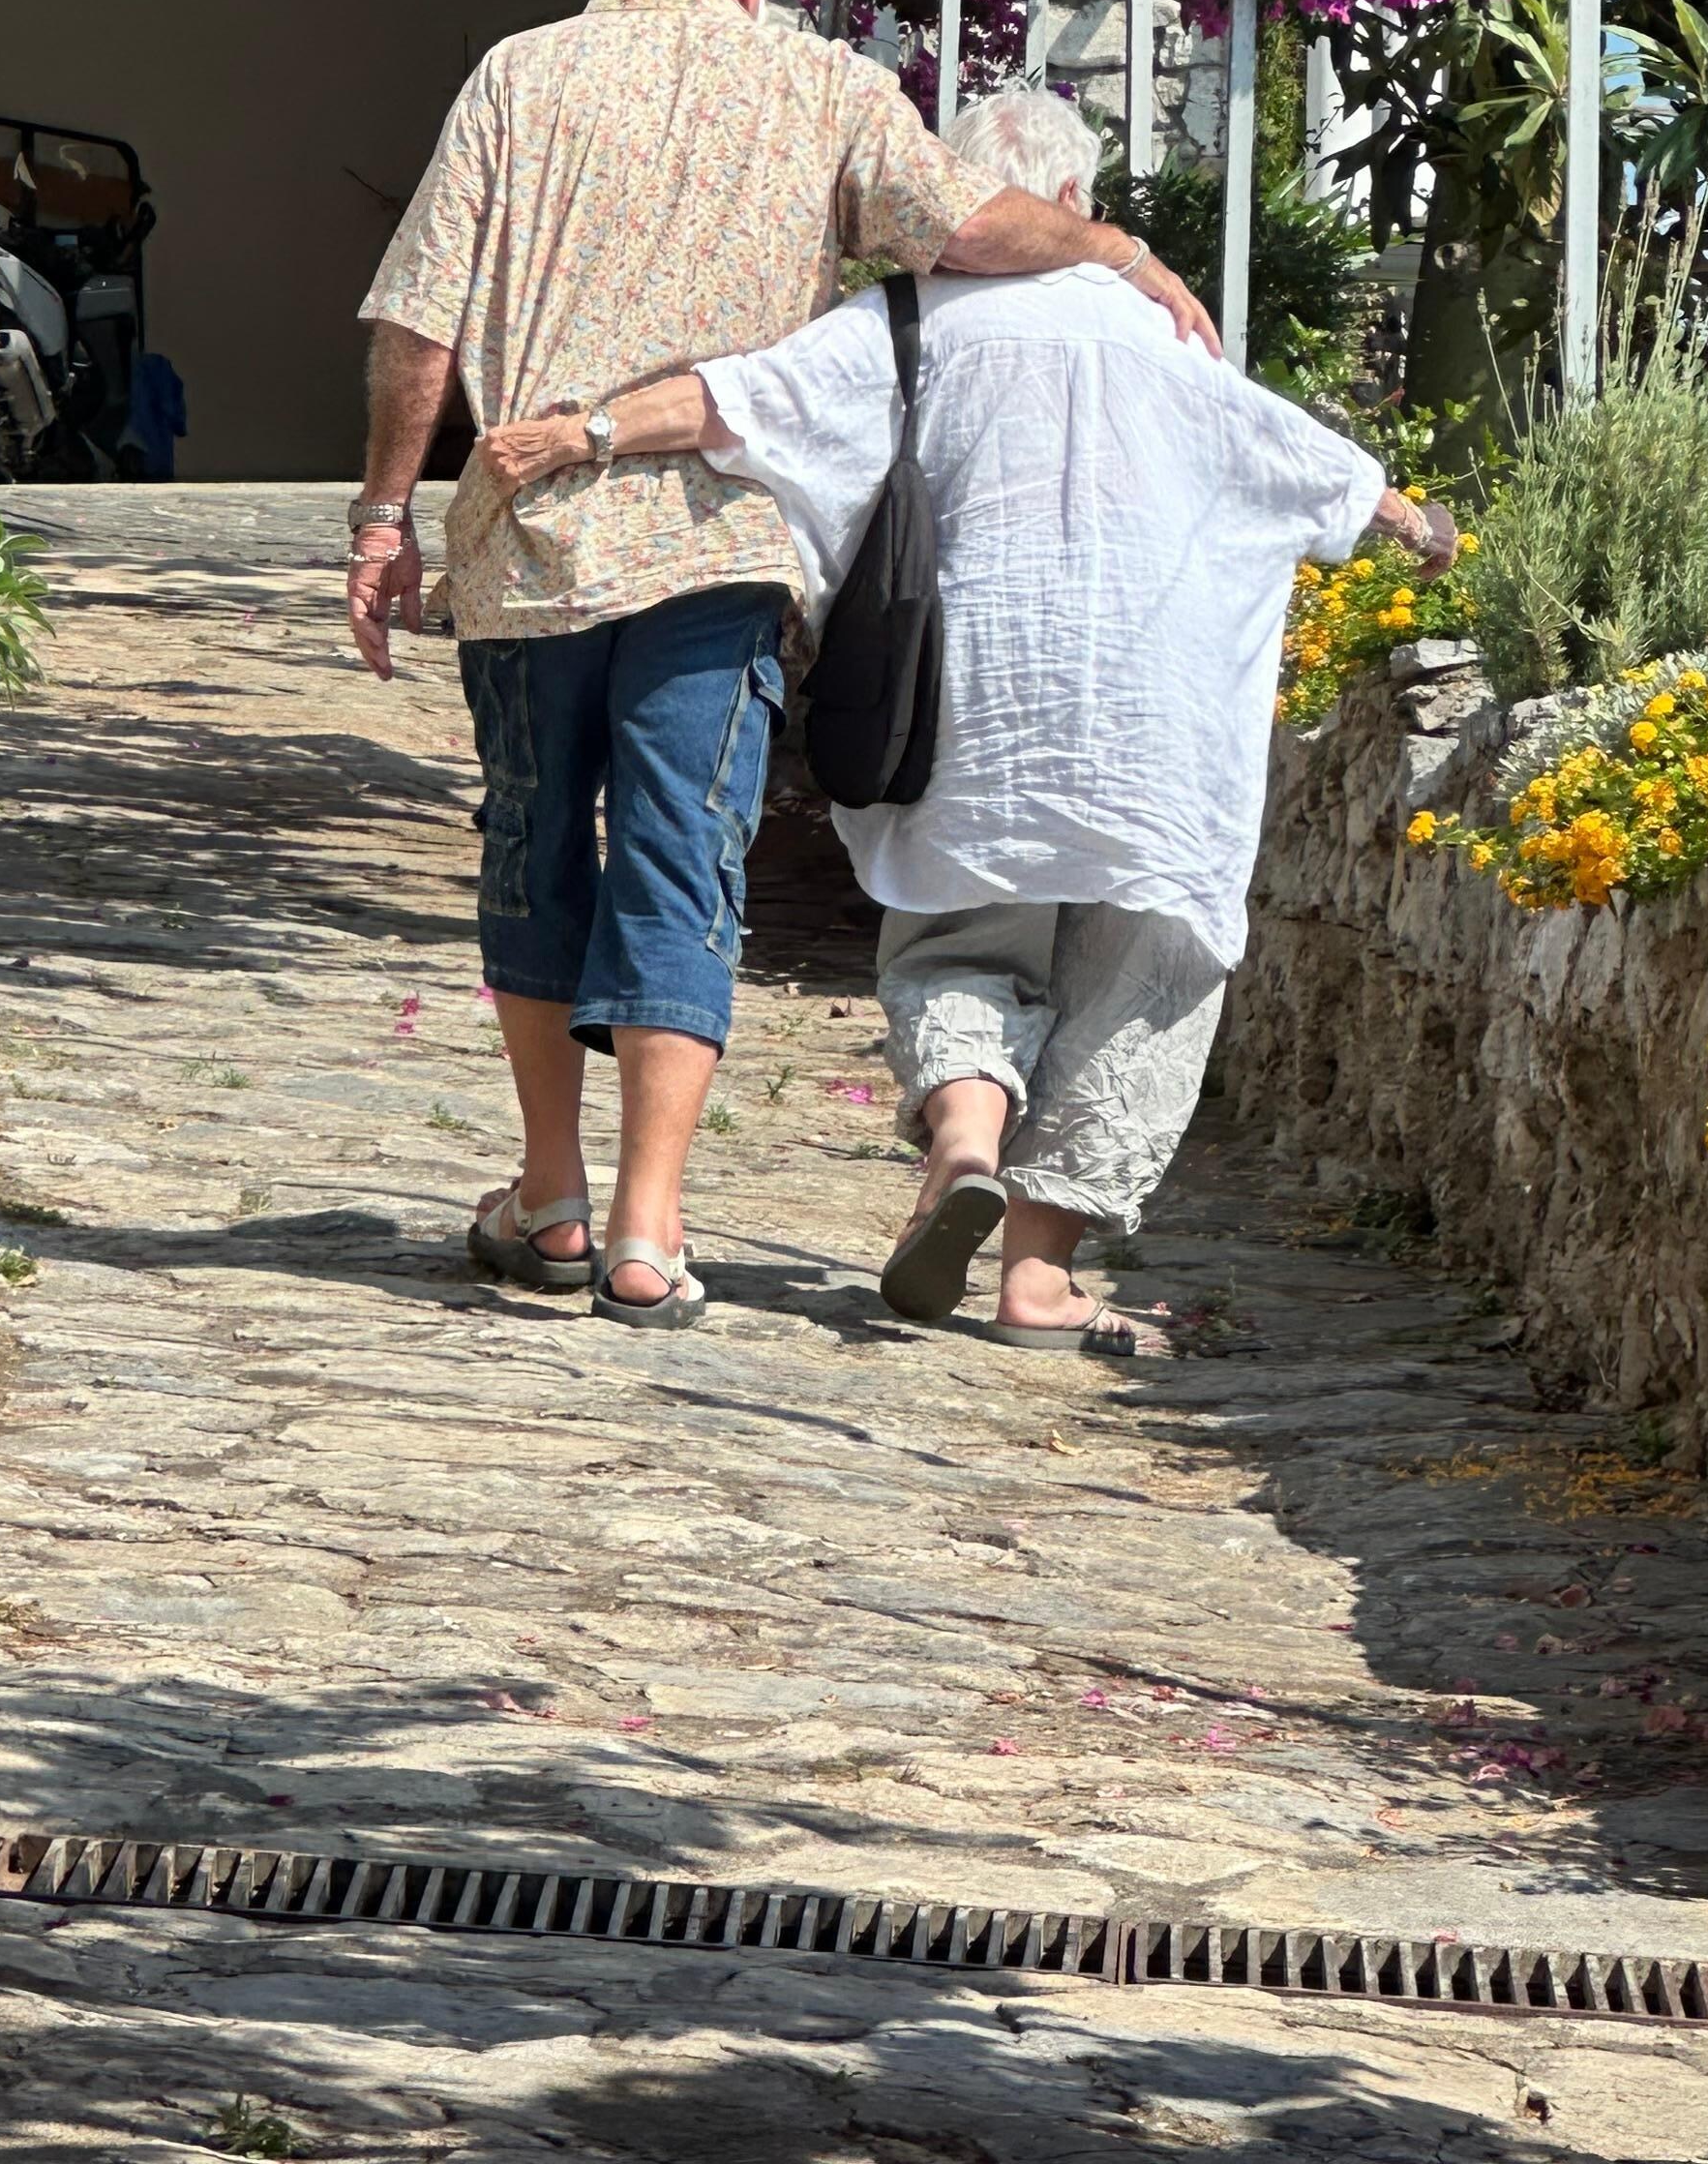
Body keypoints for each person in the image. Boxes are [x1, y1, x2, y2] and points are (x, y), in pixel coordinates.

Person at [350, 0, 1220, 1333]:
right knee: (686, 863)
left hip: (530, 549)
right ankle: (647, 1231)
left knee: (536, 848)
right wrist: (1117, 247)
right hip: (718, 548)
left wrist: (383, 518)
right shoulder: (825, 86)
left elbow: (418, 321)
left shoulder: (515, 74)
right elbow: (969, 229)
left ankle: (549, 1195)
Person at [476, 81, 1454, 1355]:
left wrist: (583, 430)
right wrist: (1415, 524)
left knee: (956, 945)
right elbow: (1294, 456)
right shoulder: (1155, 327)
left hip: (970, 708)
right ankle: (1038, 1277)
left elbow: (731, 403)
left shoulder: (899, 325)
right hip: (1155, 726)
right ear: (1073, 206)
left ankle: (967, 1132)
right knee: (1150, 961)